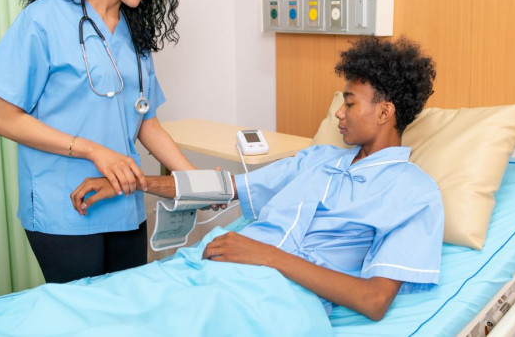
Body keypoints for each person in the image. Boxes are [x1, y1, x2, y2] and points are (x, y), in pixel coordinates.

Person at [71, 36, 443, 321]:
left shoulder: (414, 192)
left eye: (349, 103)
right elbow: (227, 188)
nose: (338, 115)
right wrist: (137, 182)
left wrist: (266, 256)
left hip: (276, 301)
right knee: (93, 310)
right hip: (213, 269)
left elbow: (373, 300)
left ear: (385, 113)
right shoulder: (318, 159)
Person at [0, 0, 196, 283]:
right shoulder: (45, 18)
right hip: (64, 204)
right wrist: (94, 149)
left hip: (124, 200)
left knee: (127, 313)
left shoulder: (134, 31)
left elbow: (147, 122)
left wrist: (195, 181)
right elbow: (5, 120)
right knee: (82, 320)